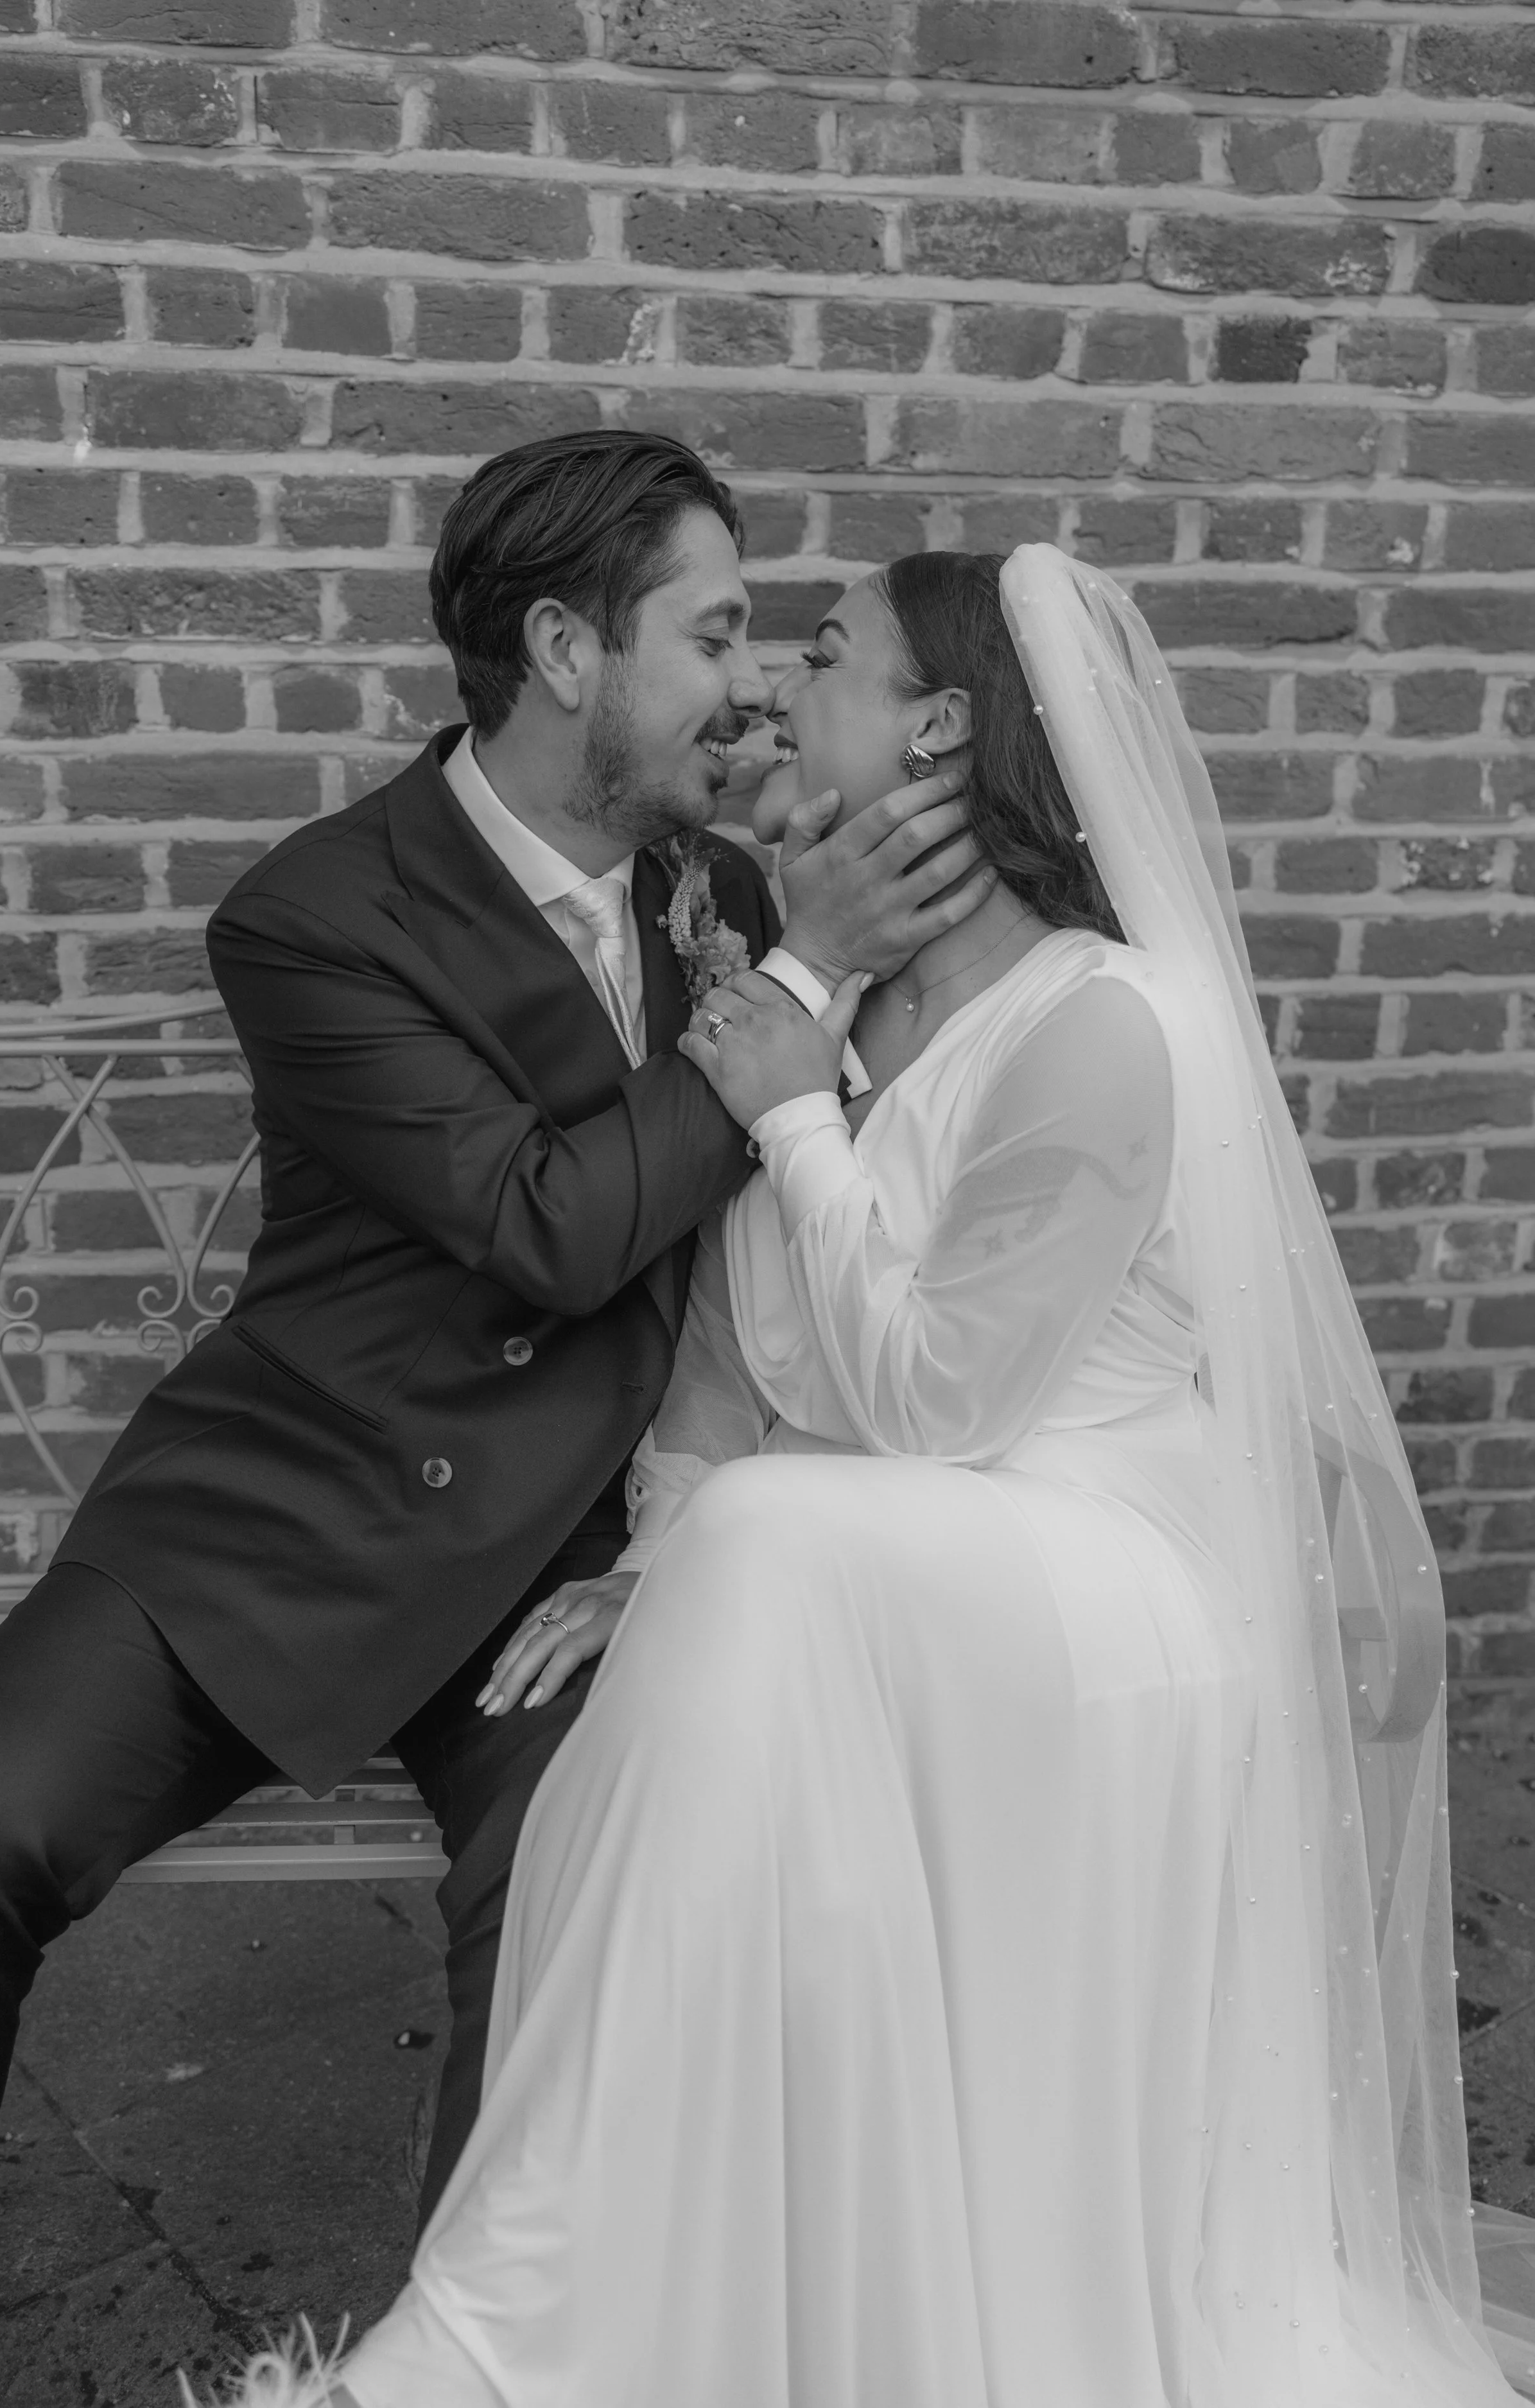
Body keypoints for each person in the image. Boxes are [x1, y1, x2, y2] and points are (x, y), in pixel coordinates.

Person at [210, 545, 1529, 2408]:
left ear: (933, 727)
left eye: (820, 655)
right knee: (701, 1618)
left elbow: (932, 1399)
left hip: (1106, 1585)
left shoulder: (1100, 1023)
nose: (768, 695)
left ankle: (492, 2358)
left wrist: (789, 1118)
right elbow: (732, 1371)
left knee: (757, 1562)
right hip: (883, 1569)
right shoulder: (826, 1002)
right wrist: (644, 1558)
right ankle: (590, 2324)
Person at [0, 429, 999, 2316]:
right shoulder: (320, 910)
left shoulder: (733, 902)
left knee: (583, 1900)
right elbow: (543, 1223)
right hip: (298, 1505)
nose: (751, 683)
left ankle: (473, 2360)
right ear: (567, 651)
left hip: (575, 1557)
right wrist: (811, 979)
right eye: (715, 631)